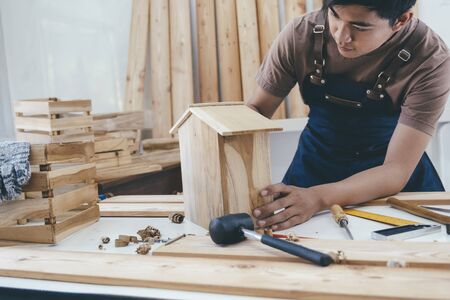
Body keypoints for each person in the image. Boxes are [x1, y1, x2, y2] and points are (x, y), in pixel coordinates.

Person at [248, 0, 450, 231]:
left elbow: (397, 169)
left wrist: (320, 198)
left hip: (392, 181)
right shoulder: (301, 34)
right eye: (334, 15)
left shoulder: (430, 58)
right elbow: (256, 112)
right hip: (315, 167)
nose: (341, 36)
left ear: (401, 20)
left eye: (360, 27)